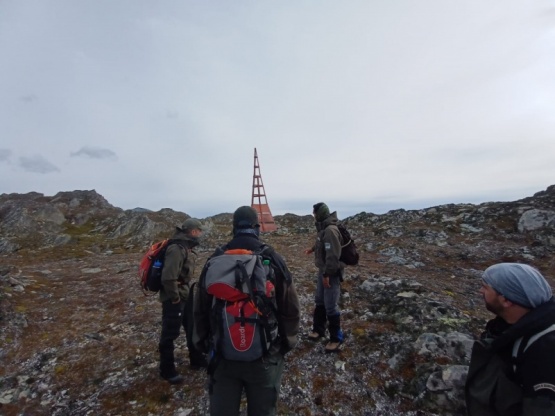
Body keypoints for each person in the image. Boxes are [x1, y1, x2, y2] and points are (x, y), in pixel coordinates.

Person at [193, 206, 300, 416]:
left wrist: (204, 344)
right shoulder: (273, 259)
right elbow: (290, 307)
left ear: (233, 228)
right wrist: (285, 344)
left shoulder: (215, 261)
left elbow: (200, 309)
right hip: (265, 358)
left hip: (222, 357)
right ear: (257, 227)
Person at [465, 262, 555, 415]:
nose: (480, 291)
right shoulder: (509, 328)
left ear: (506, 301)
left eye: (486, 287)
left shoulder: (544, 352)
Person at [158, 218, 207, 385]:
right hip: (175, 297)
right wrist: (175, 298)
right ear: (193, 231)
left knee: (192, 327)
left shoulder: (185, 247)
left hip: (185, 295)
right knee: (170, 334)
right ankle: (167, 370)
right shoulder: (176, 249)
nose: (200, 234)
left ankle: (196, 359)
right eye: (199, 231)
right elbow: (168, 277)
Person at [304, 202, 345, 353]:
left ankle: (336, 338)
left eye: (314, 213)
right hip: (323, 271)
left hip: (331, 273)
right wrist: (312, 249)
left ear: (320, 213)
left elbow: (333, 255)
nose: (313, 215)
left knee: (330, 305)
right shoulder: (323, 229)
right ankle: (318, 330)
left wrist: (327, 274)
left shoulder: (330, 230)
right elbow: (322, 244)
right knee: (319, 300)